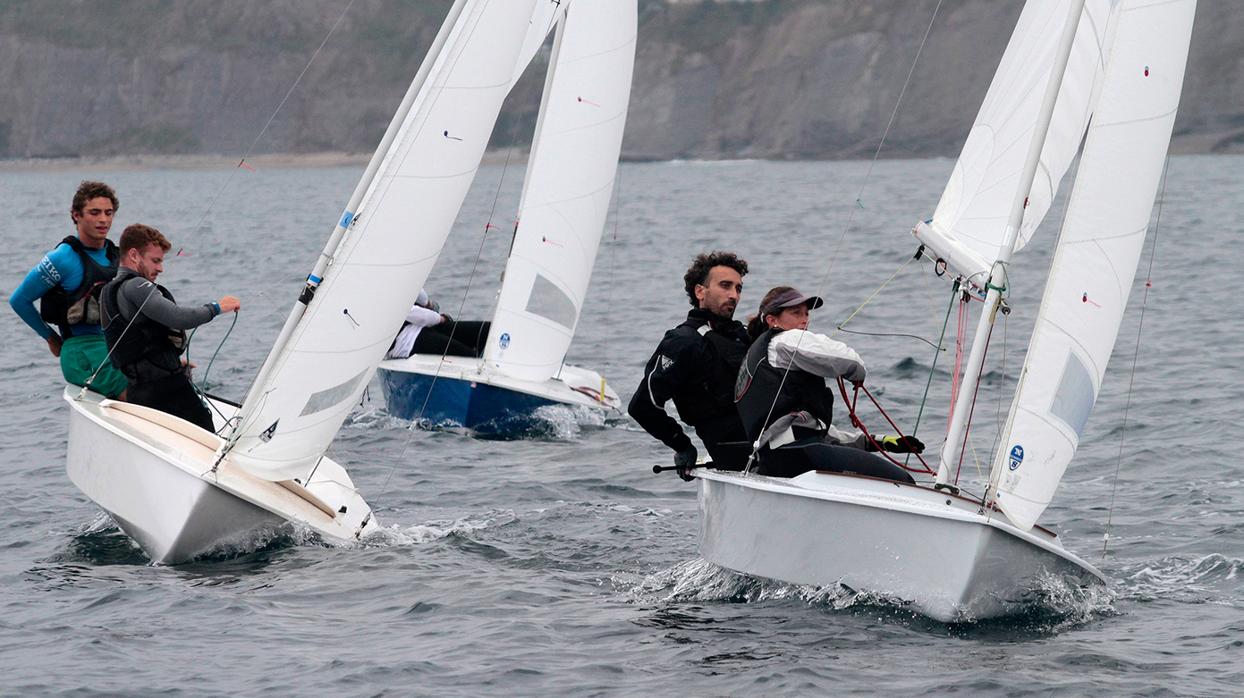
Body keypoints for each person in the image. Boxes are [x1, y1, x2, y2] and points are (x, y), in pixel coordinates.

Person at [733, 286, 922, 483]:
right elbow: (851, 362)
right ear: (773, 320)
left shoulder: (762, 359)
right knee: (903, 481)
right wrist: (856, 374)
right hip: (795, 452)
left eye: (806, 313)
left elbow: (814, 431)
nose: (804, 319)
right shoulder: (783, 340)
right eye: (796, 313)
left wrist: (877, 442)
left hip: (776, 456)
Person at [100, 224, 240, 431]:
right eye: (155, 261)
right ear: (134, 255)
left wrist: (168, 360)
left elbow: (138, 344)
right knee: (209, 445)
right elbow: (178, 317)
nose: (160, 268)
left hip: (139, 393)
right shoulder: (135, 286)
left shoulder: (108, 292)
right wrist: (217, 307)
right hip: (167, 392)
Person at [629, 251, 753, 480]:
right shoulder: (683, 342)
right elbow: (642, 406)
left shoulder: (743, 336)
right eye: (725, 286)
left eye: (738, 288)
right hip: (735, 453)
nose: (734, 295)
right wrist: (682, 445)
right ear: (700, 292)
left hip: (769, 438)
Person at [9, 181, 128, 398]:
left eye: (108, 213)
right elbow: (19, 300)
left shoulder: (116, 255)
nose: (103, 219)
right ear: (76, 215)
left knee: (166, 373)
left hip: (114, 346)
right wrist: (50, 338)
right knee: (136, 389)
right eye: (94, 212)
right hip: (81, 351)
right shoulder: (62, 259)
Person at [385, 289, 491, 359]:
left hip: (423, 328)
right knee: (471, 357)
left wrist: (427, 304)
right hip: (407, 344)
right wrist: (441, 319)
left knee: (488, 330)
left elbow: (415, 289)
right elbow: (419, 315)